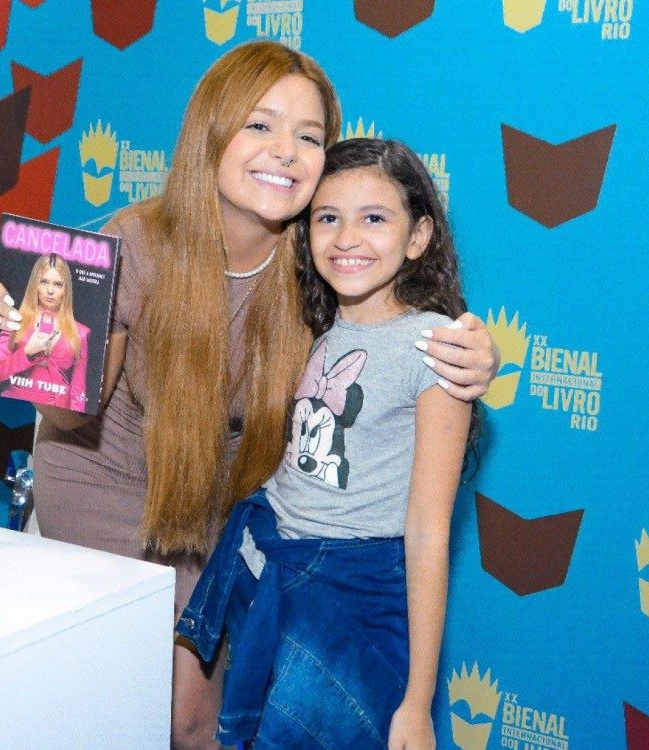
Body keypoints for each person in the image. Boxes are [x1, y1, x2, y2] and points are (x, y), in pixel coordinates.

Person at [0, 42, 497, 750]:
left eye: (309, 136)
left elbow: (398, 343)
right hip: (110, 485)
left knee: (212, 718)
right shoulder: (138, 242)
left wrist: (470, 358)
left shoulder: (321, 262)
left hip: (231, 507)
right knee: (138, 709)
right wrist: (14, 346)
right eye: (259, 125)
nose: (284, 151)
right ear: (211, 132)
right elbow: (70, 413)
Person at [177, 137, 475, 749]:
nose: (347, 238)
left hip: (356, 590)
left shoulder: (439, 348)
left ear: (418, 238)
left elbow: (426, 528)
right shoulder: (313, 327)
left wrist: (417, 703)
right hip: (270, 566)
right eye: (328, 218)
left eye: (374, 218)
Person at [0, 253, 88, 412]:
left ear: (66, 290)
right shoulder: (15, 321)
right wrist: (27, 352)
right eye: (44, 281)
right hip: (16, 404)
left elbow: (78, 392)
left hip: (58, 412)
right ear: (35, 284)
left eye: (58, 284)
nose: (50, 290)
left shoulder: (80, 333)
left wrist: (70, 420)